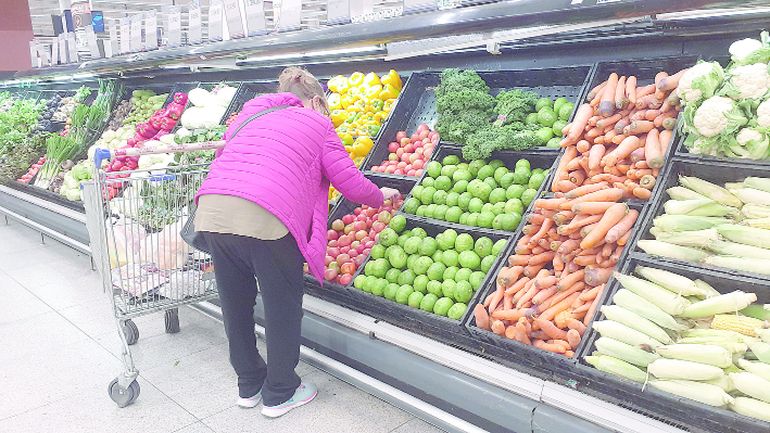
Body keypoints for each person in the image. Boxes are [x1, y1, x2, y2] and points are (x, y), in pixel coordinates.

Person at [194, 67, 399, 418]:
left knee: (235, 303)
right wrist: (381, 195)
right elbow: (349, 183)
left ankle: (248, 385)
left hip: (213, 212)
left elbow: (231, 163)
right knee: (282, 306)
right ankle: (280, 392)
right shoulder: (318, 124)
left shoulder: (246, 116)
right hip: (267, 217)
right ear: (318, 101)